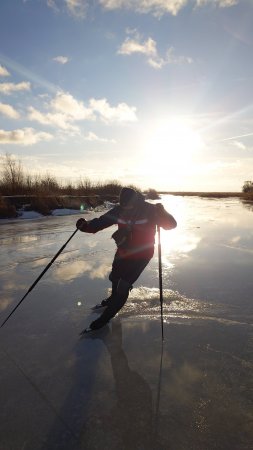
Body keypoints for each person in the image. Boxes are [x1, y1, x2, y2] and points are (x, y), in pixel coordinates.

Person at [76, 187, 177, 331]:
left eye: (128, 206)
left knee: (123, 286)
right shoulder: (119, 210)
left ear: (135, 202)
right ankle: (112, 300)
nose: (126, 209)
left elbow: (171, 225)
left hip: (142, 255)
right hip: (123, 251)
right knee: (115, 278)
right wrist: (85, 226)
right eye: (124, 206)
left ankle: (104, 319)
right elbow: (100, 222)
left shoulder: (151, 210)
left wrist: (163, 212)